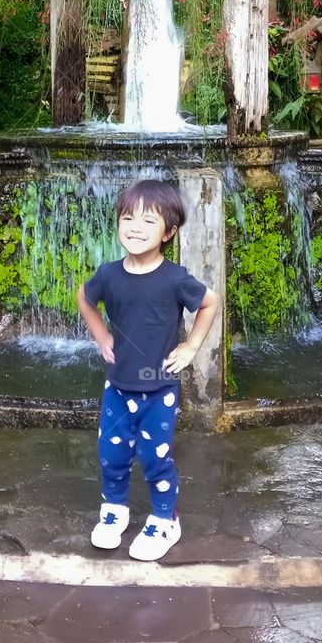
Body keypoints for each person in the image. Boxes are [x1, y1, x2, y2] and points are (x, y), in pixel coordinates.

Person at [77, 178, 219, 560]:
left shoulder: (175, 279)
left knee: (156, 457)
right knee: (111, 452)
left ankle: (164, 519)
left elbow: (210, 302)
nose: (135, 227)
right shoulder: (108, 274)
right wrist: (101, 336)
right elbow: (84, 297)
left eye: (149, 220)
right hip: (117, 387)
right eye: (128, 217)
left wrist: (191, 345)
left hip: (160, 389)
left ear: (169, 232)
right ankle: (115, 509)